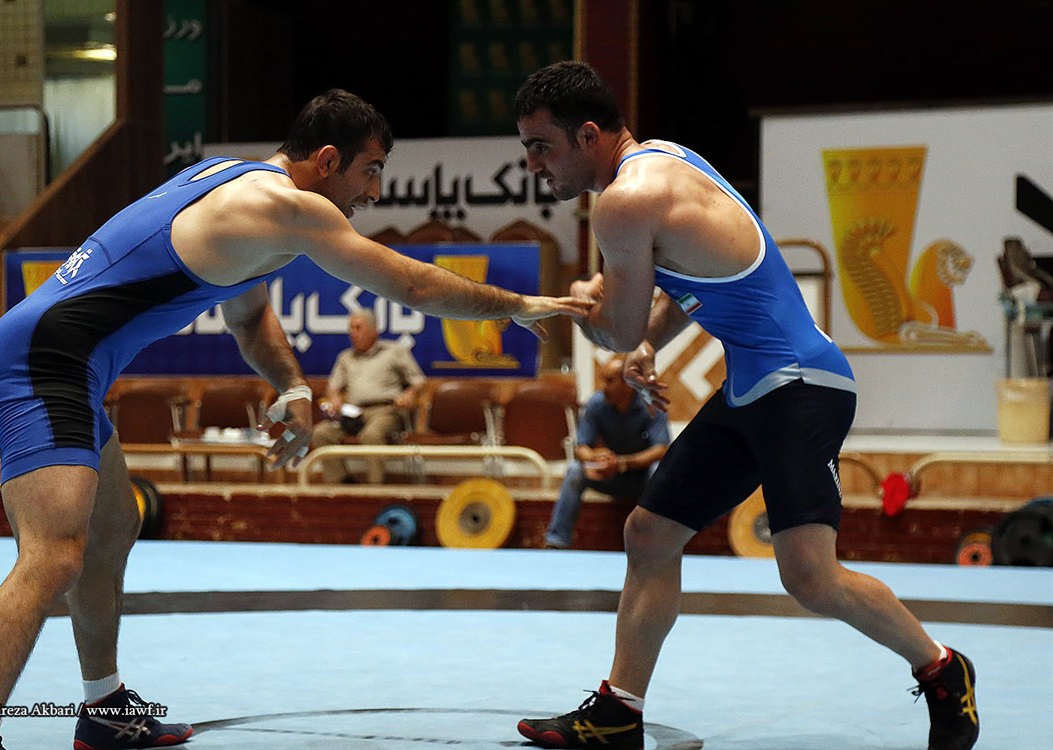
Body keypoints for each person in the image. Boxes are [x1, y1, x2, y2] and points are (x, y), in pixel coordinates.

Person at [0, 89, 590, 750]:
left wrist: (292, 387)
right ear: (327, 160)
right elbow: (413, 285)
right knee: (53, 557)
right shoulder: (284, 207)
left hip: (67, 364)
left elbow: (250, 315)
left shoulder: (237, 188)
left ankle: (105, 709)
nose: (375, 192)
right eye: (370, 170)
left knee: (113, 527)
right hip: (42, 362)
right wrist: (517, 304)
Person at [511, 61, 978, 750]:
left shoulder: (623, 200)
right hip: (757, 385)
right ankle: (619, 711)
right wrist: (651, 343)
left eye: (540, 147)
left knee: (810, 577)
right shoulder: (666, 162)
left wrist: (569, 303)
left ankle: (942, 668)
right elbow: (699, 281)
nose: (533, 166)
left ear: (586, 135)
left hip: (800, 388)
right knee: (649, 534)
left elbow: (616, 330)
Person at [544, 354, 670, 549]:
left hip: (641, 478)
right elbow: (581, 447)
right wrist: (596, 457)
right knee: (575, 471)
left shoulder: (651, 404)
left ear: (628, 384)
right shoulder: (597, 404)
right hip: (609, 475)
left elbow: (661, 449)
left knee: (658, 471)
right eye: (602, 380)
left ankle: (659, 544)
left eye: (609, 381)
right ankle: (556, 541)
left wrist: (622, 463)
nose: (603, 386)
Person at [312, 307, 426, 483]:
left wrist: (409, 394)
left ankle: (374, 490)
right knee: (320, 433)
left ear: (374, 330)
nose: (353, 333)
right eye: (351, 328)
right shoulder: (345, 357)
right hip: (353, 413)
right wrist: (334, 397)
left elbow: (419, 382)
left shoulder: (395, 351)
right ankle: (343, 485)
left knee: (371, 435)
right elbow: (333, 387)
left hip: (386, 411)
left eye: (358, 328)